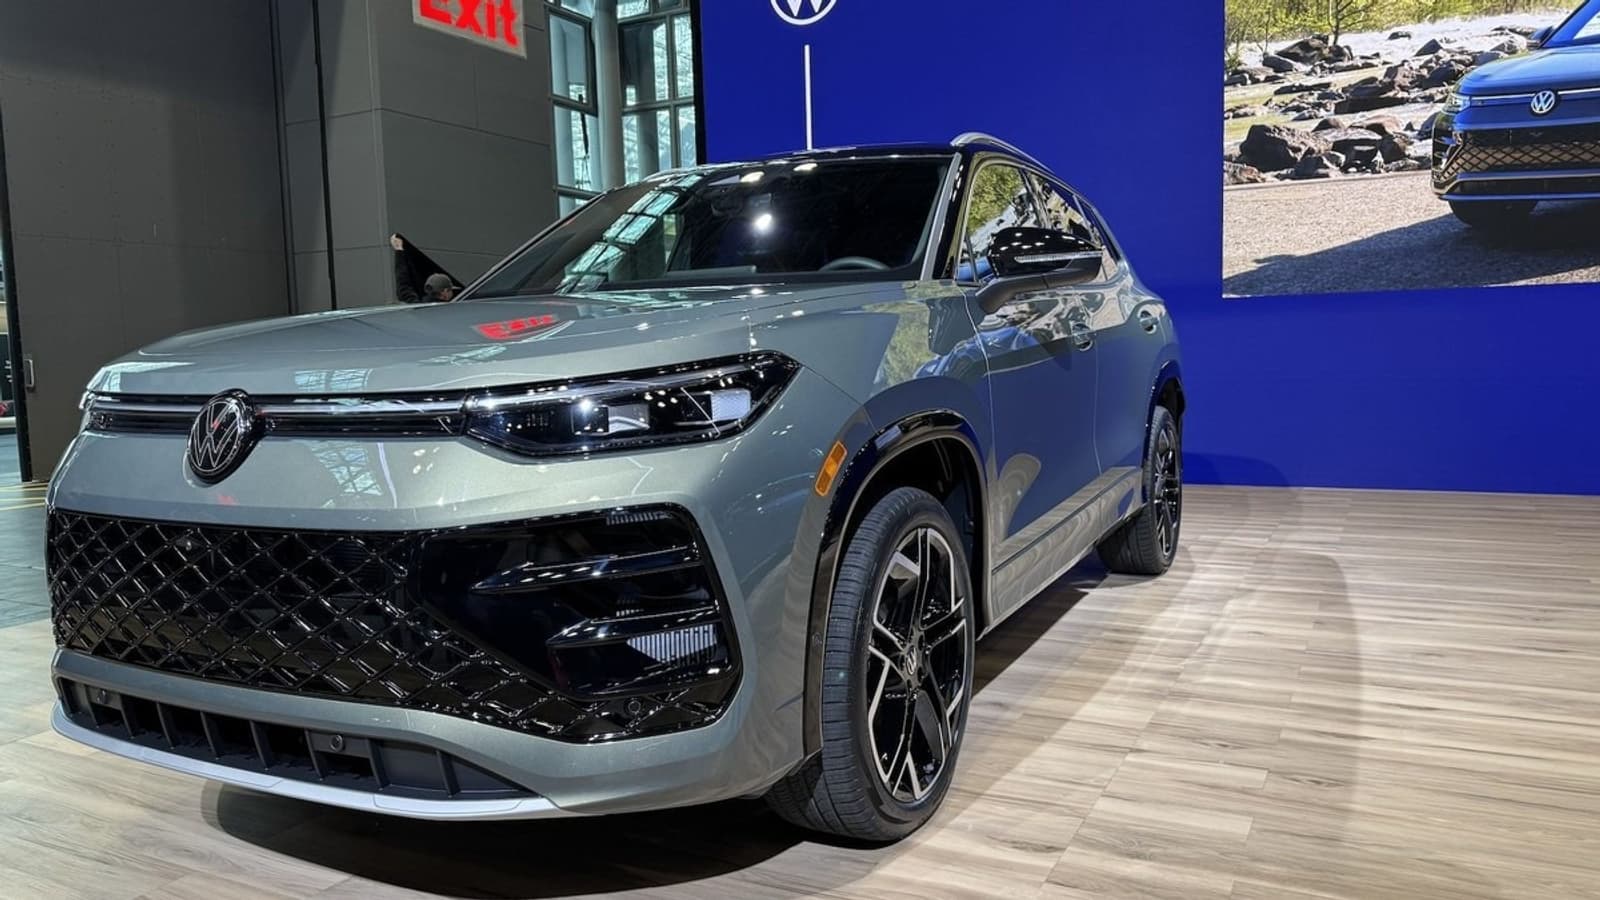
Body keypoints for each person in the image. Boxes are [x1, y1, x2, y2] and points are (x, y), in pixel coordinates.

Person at [391, 234, 457, 303]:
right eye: (451, 290)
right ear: (445, 292)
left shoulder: (418, 304)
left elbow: (403, 286)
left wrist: (399, 250)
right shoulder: (451, 308)